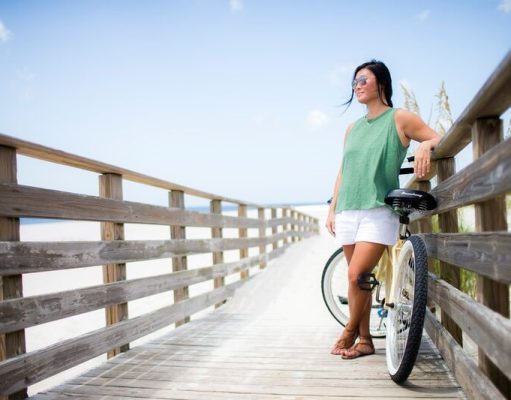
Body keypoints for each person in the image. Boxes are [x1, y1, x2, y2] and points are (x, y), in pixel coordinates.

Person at [325, 60, 441, 360]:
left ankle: (349, 331)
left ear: (381, 84)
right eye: (355, 82)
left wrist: (426, 147)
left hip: (378, 209)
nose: (357, 85)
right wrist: (333, 206)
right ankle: (364, 341)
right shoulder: (352, 128)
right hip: (348, 208)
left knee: (355, 274)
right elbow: (344, 169)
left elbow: (436, 136)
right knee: (359, 281)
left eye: (363, 79)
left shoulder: (399, 118)